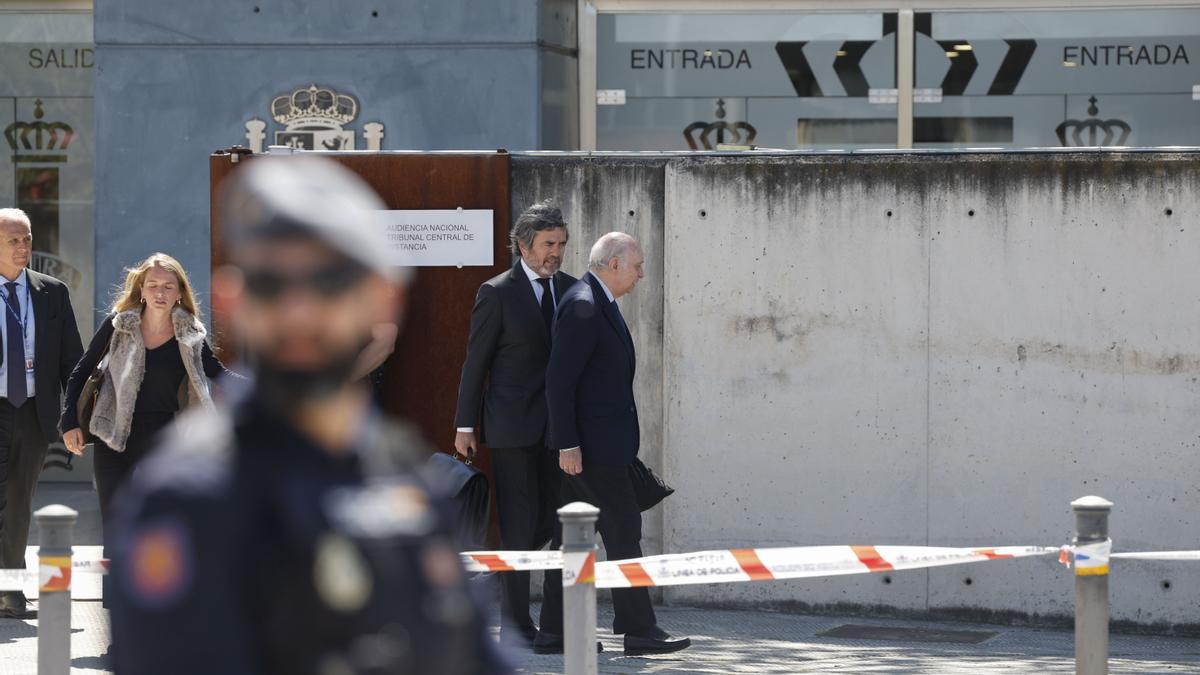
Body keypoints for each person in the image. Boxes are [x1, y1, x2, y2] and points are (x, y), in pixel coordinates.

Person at [108, 156, 510, 675]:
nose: (299, 311)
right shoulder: (186, 497)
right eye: (272, 284)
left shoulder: (408, 483)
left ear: (381, 301)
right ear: (234, 302)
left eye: (329, 282)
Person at [541, 232, 690, 656]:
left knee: (569, 538)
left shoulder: (596, 302)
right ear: (613, 264)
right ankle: (639, 629)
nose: (642, 274)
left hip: (600, 449)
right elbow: (558, 381)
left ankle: (555, 630)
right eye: (637, 265)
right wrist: (568, 444)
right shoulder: (584, 306)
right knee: (624, 532)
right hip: (590, 452)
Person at [452, 200, 576, 647]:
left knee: (561, 524)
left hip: (561, 434)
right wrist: (465, 426)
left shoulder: (573, 289)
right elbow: (475, 364)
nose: (555, 253)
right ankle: (517, 627)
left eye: (561, 244)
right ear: (524, 245)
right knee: (520, 526)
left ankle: (559, 627)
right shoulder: (497, 292)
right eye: (548, 244)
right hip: (511, 428)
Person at [60, 253, 232, 527]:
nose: (159, 293)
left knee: (162, 522)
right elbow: (82, 371)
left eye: (168, 286)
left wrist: (265, 388)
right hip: (112, 433)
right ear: (141, 290)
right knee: (114, 521)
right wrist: (69, 421)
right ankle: (113, 571)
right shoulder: (119, 324)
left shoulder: (189, 332)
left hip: (164, 436)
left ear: (179, 293)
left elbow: (217, 373)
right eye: (152, 285)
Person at [0, 208, 83, 619]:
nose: (23, 247)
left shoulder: (52, 292)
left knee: (17, 501)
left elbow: (74, 362)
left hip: (33, 410)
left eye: (27, 238)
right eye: (13, 239)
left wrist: (75, 417)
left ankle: (8, 592)